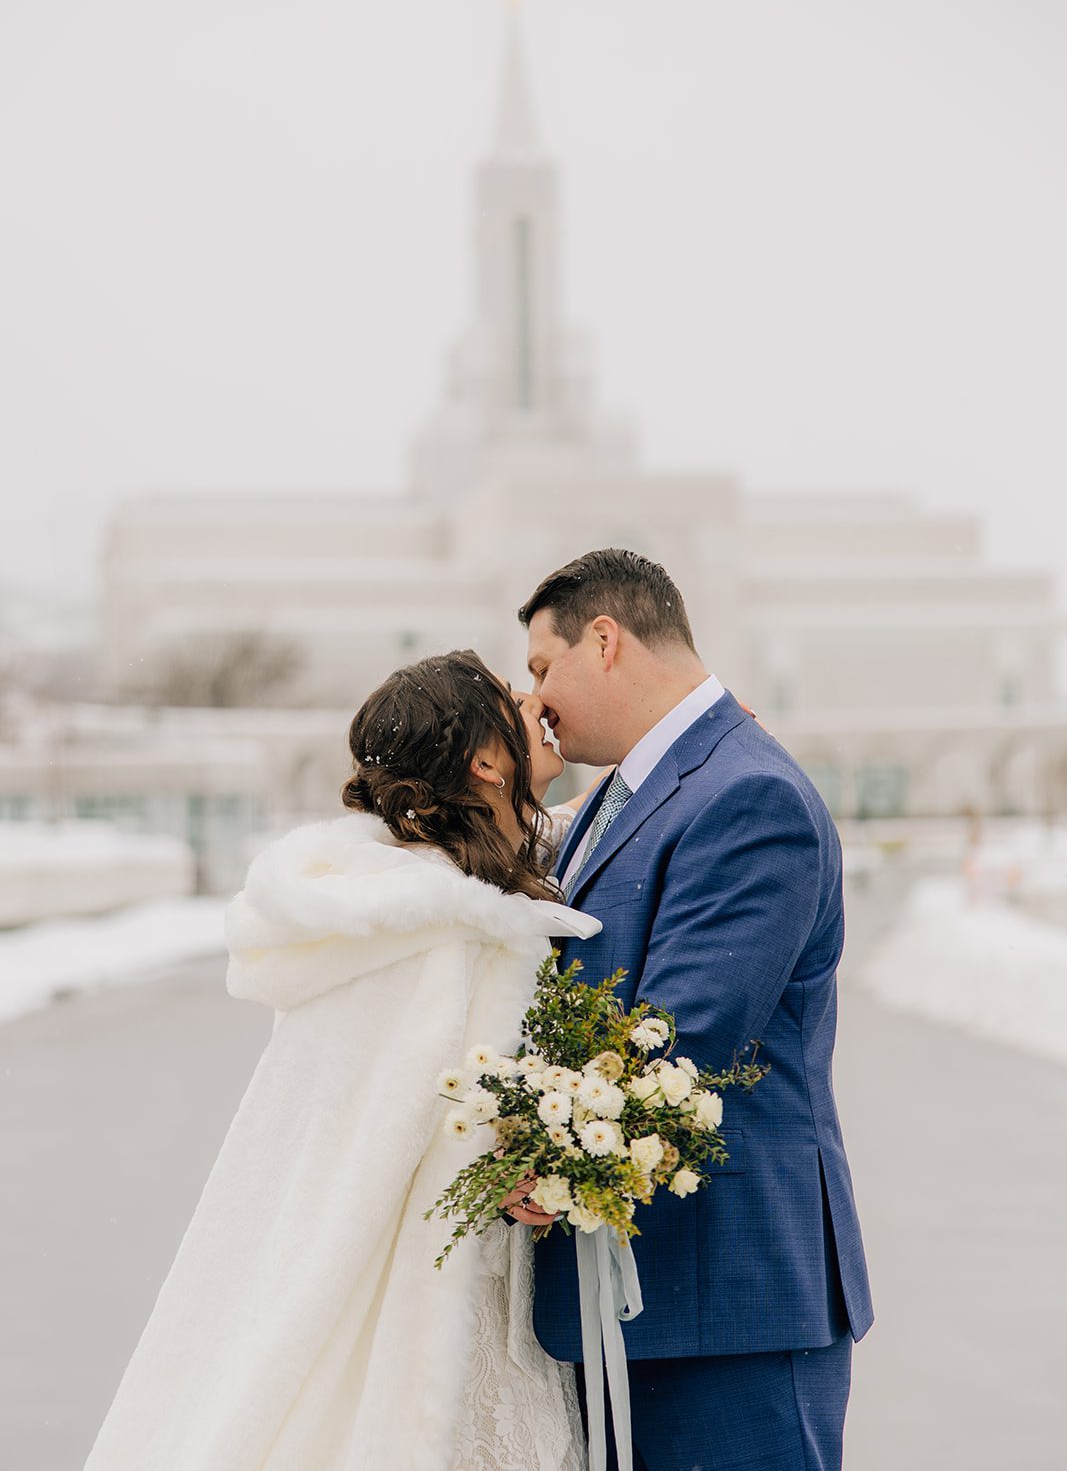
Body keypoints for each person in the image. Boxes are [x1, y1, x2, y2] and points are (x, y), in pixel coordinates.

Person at [84, 649, 599, 1471]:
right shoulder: (433, 926)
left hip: (466, 1266)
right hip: (427, 1289)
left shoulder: (407, 893)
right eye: (514, 695)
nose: (537, 700)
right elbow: (393, 1116)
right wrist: (502, 1155)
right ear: (484, 760)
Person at [518, 548, 874, 1471]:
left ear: (604, 641)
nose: (536, 701)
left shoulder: (745, 793)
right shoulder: (628, 791)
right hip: (639, 1302)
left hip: (726, 1302)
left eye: (542, 667)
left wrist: (532, 1162)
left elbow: (681, 1040)